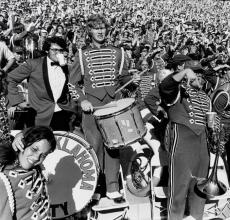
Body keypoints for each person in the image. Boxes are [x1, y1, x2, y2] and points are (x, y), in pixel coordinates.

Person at [68, 14, 132, 202]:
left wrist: (131, 80)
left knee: (113, 146)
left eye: (103, 28)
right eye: (96, 28)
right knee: (94, 147)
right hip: (92, 108)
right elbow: (73, 84)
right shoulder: (81, 54)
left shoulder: (118, 52)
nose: (100, 31)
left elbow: (123, 79)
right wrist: (82, 101)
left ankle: (113, 188)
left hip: (112, 106)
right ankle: (95, 188)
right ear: (89, 31)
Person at [159, 58, 211, 220]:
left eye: (201, 74)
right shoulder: (177, 91)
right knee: (178, 191)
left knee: (200, 190)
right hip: (182, 142)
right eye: (195, 74)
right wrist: (183, 74)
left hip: (202, 144)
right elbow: (165, 86)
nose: (199, 78)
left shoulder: (206, 98)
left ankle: (197, 217)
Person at [7, 36, 76, 131]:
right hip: (39, 114)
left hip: (62, 113)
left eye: (61, 50)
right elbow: (10, 78)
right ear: (47, 50)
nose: (58, 53)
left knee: (61, 144)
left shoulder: (67, 68)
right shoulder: (33, 64)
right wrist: (17, 102)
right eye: (54, 50)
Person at [0, 126, 57, 220]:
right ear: (22, 143)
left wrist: (20, 134)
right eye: (34, 149)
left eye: (43, 155)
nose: (36, 158)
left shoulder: (36, 169)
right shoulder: (5, 180)